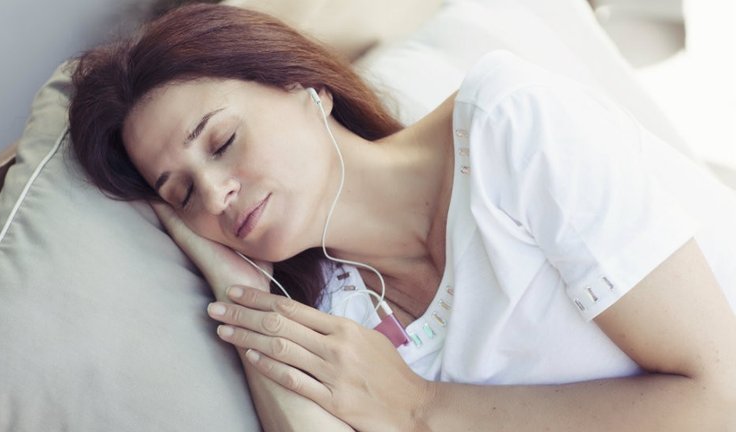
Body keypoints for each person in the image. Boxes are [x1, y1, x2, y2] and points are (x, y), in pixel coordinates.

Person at [68, 3, 736, 431]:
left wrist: (423, 408)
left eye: (222, 143)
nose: (215, 196)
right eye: (182, 194)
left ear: (304, 88)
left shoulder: (512, 125)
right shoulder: (334, 318)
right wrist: (226, 273)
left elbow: (721, 398)